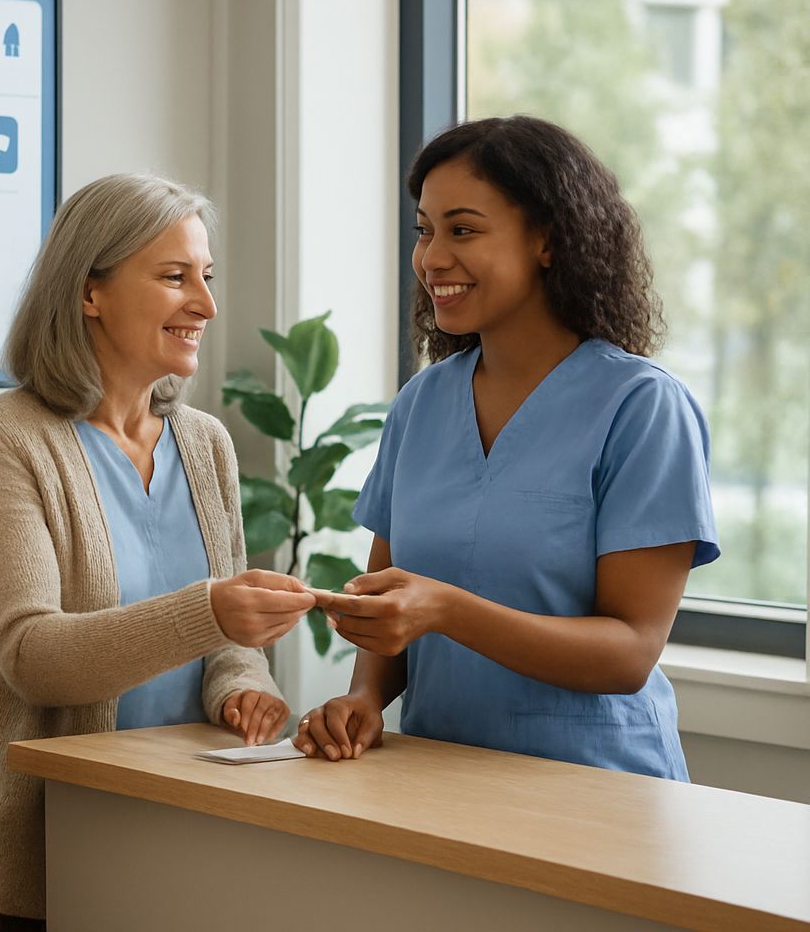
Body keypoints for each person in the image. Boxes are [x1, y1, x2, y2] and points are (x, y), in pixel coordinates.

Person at [0, 172, 316, 926]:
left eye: (205, 278)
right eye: (175, 278)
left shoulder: (204, 443)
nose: (205, 305)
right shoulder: (2, 441)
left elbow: (225, 646)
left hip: (175, 829)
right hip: (29, 860)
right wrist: (213, 612)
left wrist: (242, 686)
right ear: (88, 293)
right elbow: (34, 657)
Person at [294, 116, 718, 780]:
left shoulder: (641, 407)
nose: (432, 257)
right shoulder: (422, 405)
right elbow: (390, 602)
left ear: (548, 240)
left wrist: (446, 609)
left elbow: (630, 651)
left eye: (462, 230)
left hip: (601, 787)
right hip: (435, 777)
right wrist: (364, 698)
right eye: (425, 231)